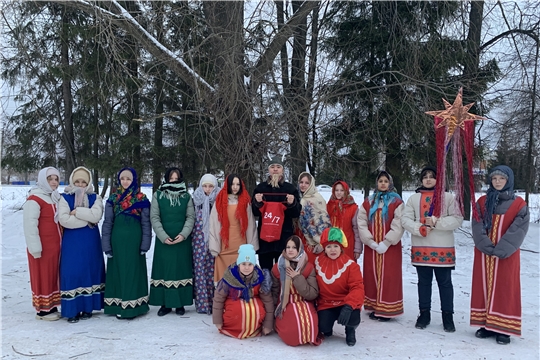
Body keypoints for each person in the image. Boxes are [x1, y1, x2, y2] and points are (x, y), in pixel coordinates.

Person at [470, 165, 529, 345]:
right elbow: (477, 224)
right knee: (484, 286)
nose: (497, 182)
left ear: (508, 181)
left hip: (506, 255)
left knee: (505, 287)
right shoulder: (482, 202)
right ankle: (486, 324)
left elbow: (518, 229)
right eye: (494, 179)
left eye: (501, 179)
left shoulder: (519, 204)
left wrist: (502, 249)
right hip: (484, 253)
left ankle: (503, 328)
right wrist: (485, 245)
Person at [401, 166, 463, 332]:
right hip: (422, 248)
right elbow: (405, 219)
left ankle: (447, 316)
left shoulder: (448, 197)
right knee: (424, 283)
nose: (428, 179)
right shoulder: (414, 199)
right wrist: (419, 228)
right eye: (425, 176)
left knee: (445, 283)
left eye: (432, 176)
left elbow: (457, 218)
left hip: (443, 248)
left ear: (438, 179)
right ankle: (424, 314)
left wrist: (437, 223)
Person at [102, 167, 151, 319]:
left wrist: (145, 244)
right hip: (117, 241)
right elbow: (108, 223)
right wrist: (106, 245)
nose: (125, 181)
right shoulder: (113, 199)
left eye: (128, 179)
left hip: (134, 241)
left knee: (133, 271)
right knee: (118, 271)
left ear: (133, 180)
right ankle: (117, 304)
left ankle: (135, 306)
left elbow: (146, 224)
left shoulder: (141, 199)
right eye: (123, 178)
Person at [58, 166, 105, 323]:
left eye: (83, 182)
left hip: (90, 242)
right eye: (77, 181)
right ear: (72, 181)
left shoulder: (95, 198)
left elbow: (96, 215)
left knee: (89, 271)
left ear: (88, 183)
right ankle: (72, 310)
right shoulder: (65, 198)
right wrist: (88, 218)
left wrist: (77, 212)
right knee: (72, 272)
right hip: (72, 242)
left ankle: (87, 307)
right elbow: (64, 220)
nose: (80, 185)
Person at [357, 171, 404, 321]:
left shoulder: (397, 202)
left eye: (385, 181)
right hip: (372, 246)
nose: (383, 183)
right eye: (380, 181)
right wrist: (369, 241)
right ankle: (374, 305)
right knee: (372, 274)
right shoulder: (368, 202)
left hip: (389, 247)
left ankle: (387, 308)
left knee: (388, 275)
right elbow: (361, 222)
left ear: (390, 183)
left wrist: (387, 242)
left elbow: (399, 224)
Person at [149, 167, 195, 317]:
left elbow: (190, 217)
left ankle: (180, 303)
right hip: (164, 240)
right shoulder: (158, 195)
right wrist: (162, 236)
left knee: (180, 270)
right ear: (167, 178)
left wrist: (183, 235)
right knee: (165, 271)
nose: (174, 181)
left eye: (176, 179)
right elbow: (154, 217)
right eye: (171, 179)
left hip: (182, 240)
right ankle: (165, 303)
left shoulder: (186, 196)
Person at [23, 167, 62, 321]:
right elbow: (30, 225)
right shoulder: (35, 199)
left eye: (56, 179)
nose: (53, 182)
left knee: (52, 275)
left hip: (55, 246)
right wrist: (35, 248)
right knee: (42, 275)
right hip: (41, 246)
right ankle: (42, 310)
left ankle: (51, 306)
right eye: (50, 179)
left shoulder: (54, 197)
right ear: (42, 180)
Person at [212, 244, 274, 339]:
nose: (246, 268)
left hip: (255, 314)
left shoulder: (260, 278)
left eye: (250, 264)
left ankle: (254, 328)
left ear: (254, 265)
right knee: (238, 309)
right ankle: (232, 328)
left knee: (256, 308)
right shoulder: (229, 277)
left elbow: (268, 301)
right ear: (238, 264)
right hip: (232, 311)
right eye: (243, 264)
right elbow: (218, 299)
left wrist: (268, 324)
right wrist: (218, 321)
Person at [315, 227, 364, 346]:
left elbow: (357, 288)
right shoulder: (316, 262)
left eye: (336, 246)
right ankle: (327, 327)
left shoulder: (351, 265)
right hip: (325, 304)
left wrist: (349, 306)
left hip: (345, 303)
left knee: (353, 318)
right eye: (329, 246)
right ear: (324, 248)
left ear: (341, 247)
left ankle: (350, 330)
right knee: (323, 327)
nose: (332, 250)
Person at [252, 155, 302, 270]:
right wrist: (257, 203)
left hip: (283, 239)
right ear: (268, 170)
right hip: (265, 240)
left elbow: (296, 213)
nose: (275, 169)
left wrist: (292, 203)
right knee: (266, 273)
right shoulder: (260, 188)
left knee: (282, 272)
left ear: (282, 170)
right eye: (272, 167)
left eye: (278, 167)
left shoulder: (290, 189)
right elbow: (254, 212)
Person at [271, 235, 321, 346]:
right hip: (285, 303)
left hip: (305, 302)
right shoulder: (277, 267)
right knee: (293, 331)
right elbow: (274, 293)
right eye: (288, 247)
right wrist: (272, 316)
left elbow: (312, 294)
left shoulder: (308, 267)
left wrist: (297, 277)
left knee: (310, 326)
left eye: (294, 247)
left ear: (300, 249)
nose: (290, 250)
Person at [209, 174, 258, 282]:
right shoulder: (220, 201)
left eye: (237, 184)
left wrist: (251, 247)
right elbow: (213, 225)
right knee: (224, 277)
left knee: (240, 275)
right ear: (227, 185)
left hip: (241, 244)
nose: (235, 187)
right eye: (232, 184)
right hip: (224, 245)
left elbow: (250, 225)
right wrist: (214, 247)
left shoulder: (245, 201)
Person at [192, 174, 220, 314]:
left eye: (210, 186)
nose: (207, 189)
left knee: (213, 270)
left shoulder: (219, 199)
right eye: (205, 186)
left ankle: (215, 302)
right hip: (199, 239)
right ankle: (202, 304)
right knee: (200, 270)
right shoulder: (195, 199)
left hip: (215, 238)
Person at [295, 172, 331, 264]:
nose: (303, 185)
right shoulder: (297, 198)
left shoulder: (318, 199)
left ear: (311, 184)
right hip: (299, 237)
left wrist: (322, 242)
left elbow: (324, 221)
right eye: (301, 182)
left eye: (307, 183)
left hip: (313, 241)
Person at [327, 180, 362, 260]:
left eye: (342, 190)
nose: (339, 193)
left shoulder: (353, 208)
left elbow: (357, 230)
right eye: (336, 190)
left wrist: (357, 249)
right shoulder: (329, 206)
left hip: (348, 245)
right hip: (332, 246)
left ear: (346, 191)